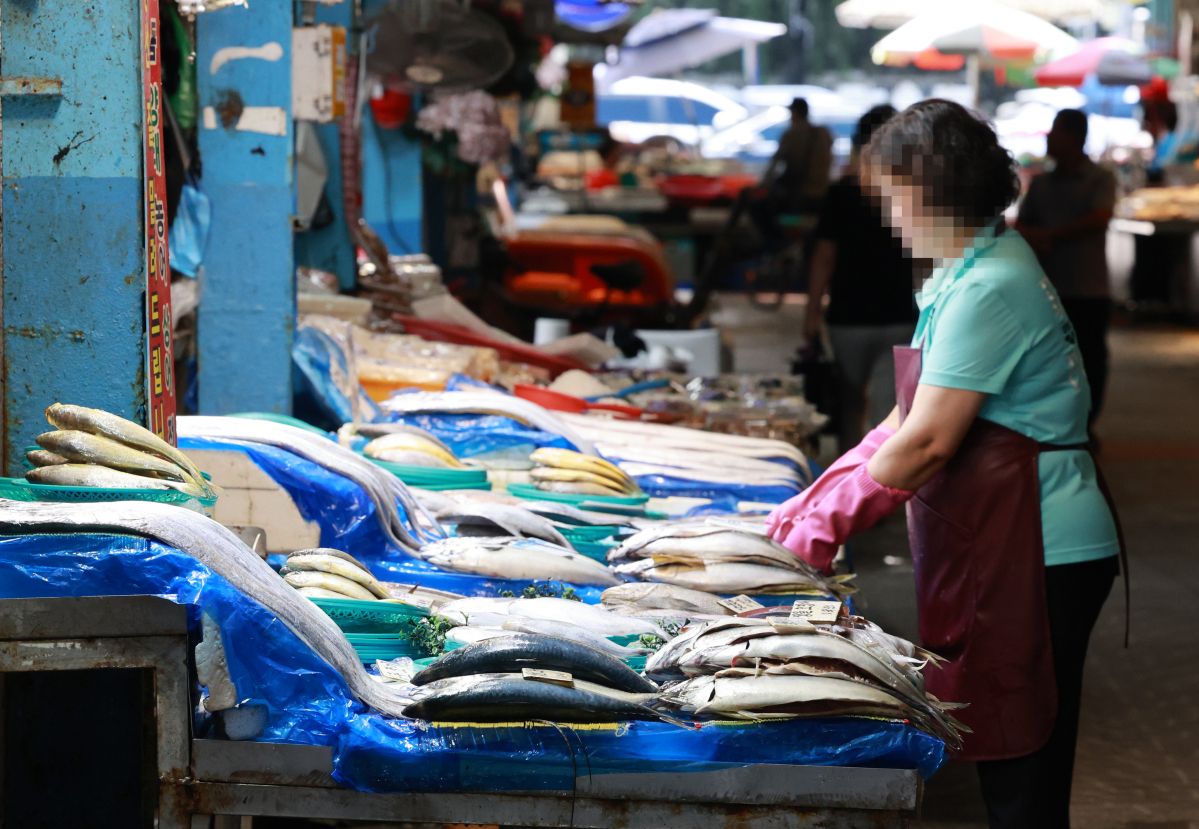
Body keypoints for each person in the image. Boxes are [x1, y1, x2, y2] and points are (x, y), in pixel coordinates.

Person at [766, 100, 1124, 829]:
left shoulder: (990, 285)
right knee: (1004, 757)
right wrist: (808, 504)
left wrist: (819, 531)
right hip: (1007, 539)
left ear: (930, 191)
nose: (888, 214)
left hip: (1040, 546)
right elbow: (901, 420)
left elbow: (927, 441)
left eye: (893, 196)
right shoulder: (969, 269)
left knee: (1023, 774)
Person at [804, 104, 917, 450]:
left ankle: (854, 490)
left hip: (849, 318)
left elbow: (824, 257)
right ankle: (888, 491)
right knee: (892, 410)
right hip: (900, 315)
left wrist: (811, 313)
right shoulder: (913, 196)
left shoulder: (841, 195)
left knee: (851, 405)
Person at [1015, 109, 1117, 425]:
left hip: (1087, 288)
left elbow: (1099, 219)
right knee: (1050, 360)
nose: (1048, 136)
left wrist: (1049, 235)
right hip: (1048, 288)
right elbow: (1021, 226)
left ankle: (1086, 423)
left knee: (1091, 360)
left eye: (1055, 130)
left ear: (1073, 137)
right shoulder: (1042, 183)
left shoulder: (1099, 178)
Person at [764, 98, 833, 213]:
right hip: (822, 190)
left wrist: (763, 184)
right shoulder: (823, 133)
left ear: (794, 113)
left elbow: (774, 164)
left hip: (798, 192)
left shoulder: (790, 135)